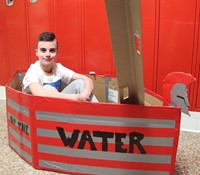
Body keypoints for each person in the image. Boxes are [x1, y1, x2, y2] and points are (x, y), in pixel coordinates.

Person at [22, 32, 98, 102]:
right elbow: (41, 94)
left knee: (80, 83)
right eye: (43, 50)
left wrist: (85, 95)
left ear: (57, 53)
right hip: (38, 112)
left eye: (52, 50)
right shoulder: (33, 71)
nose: (47, 54)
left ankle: (99, 114)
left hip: (57, 107)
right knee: (47, 88)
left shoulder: (58, 67)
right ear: (37, 53)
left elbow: (87, 79)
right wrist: (74, 97)